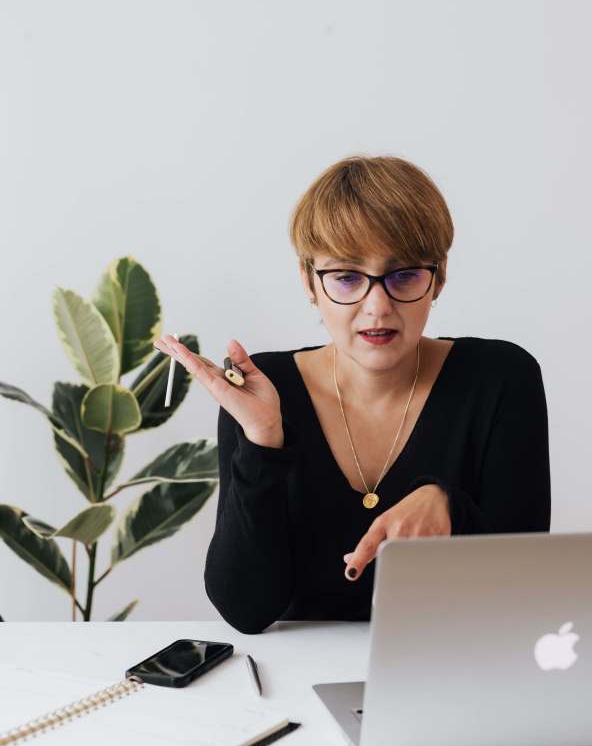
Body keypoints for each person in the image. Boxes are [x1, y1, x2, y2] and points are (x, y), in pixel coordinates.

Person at [153, 155, 551, 634]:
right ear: (309, 282)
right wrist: (263, 439)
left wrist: (450, 505)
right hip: (298, 683)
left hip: (452, 669)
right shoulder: (265, 387)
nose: (377, 307)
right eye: (346, 277)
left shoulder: (501, 377)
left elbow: (525, 591)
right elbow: (246, 609)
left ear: (438, 278)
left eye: (403, 274)